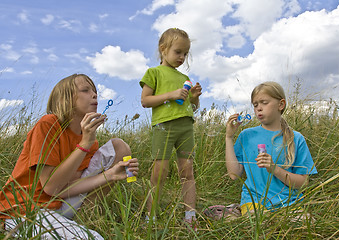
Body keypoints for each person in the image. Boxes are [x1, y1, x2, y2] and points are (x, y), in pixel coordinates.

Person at [0, 74, 139, 239]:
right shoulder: (48, 124)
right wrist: (85, 144)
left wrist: (110, 175)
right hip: (26, 209)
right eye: (85, 90)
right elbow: (51, 188)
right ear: (65, 99)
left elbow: (67, 189)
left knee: (119, 147)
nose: (95, 94)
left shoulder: (88, 138)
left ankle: (83, 219)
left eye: (94, 91)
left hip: (59, 202)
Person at [139, 28, 202, 228]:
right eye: (178, 52)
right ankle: (151, 217)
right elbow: (145, 100)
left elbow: (192, 107)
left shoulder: (184, 78)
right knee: (160, 171)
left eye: (185, 53)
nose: (182, 57)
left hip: (185, 126)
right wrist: (170, 95)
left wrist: (194, 97)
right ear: (163, 49)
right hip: (164, 127)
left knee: (187, 170)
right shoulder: (154, 72)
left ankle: (190, 216)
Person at [225, 81, 317, 216]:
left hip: (289, 202)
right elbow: (234, 175)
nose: (258, 108)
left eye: (264, 102)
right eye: (255, 105)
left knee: (304, 223)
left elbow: (303, 183)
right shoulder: (246, 136)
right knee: (258, 223)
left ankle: (234, 213)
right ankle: (239, 211)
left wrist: (275, 169)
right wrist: (229, 138)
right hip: (254, 202)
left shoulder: (296, 138)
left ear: (281, 104)